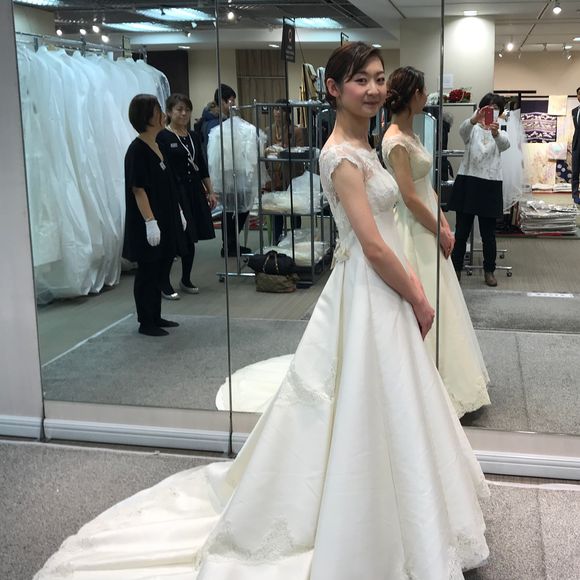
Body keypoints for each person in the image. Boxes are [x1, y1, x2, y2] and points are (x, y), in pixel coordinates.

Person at [34, 44, 489, 579]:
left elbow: (384, 234)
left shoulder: (365, 147)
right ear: (333, 89)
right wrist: (417, 295)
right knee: (367, 393)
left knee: (390, 394)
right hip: (371, 287)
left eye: (378, 78)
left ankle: (402, 506)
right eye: (360, 80)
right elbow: (371, 244)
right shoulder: (341, 156)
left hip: (381, 286)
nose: (373, 89)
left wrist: (411, 286)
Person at [382, 66, 491, 418]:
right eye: (423, 91)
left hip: (428, 221)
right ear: (412, 95)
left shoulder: (411, 134)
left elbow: (426, 187)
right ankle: (423, 390)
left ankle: (448, 378)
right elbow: (409, 197)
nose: (426, 96)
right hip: (413, 227)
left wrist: (444, 222)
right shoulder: (394, 139)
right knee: (425, 297)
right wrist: (438, 229)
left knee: (442, 298)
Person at [122, 94, 185, 337]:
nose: (163, 115)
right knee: (147, 270)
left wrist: (178, 211)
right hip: (148, 221)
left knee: (160, 267)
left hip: (165, 217)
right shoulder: (137, 150)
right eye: (158, 110)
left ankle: (156, 315)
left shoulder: (158, 145)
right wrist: (150, 222)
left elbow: (168, 184)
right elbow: (138, 189)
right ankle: (145, 321)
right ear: (147, 117)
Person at [157, 93, 218, 298]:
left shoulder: (193, 136)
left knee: (191, 236)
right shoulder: (163, 137)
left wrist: (210, 191)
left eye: (187, 110)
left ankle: (186, 278)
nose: (183, 113)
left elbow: (201, 165)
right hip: (175, 192)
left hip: (194, 191)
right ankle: (163, 282)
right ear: (169, 112)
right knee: (175, 237)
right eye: (179, 109)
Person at [449, 93, 510, 287]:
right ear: (481, 108)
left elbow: (505, 145)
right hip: (468, 181)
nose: (492, 111)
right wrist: (474, 118)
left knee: (488, 235)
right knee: (461, 232)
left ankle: (489, 270)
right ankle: (456, 269)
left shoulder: (501, 129)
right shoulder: (472, 127)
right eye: (488, 107)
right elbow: (461, 132)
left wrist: (496, 133)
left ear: (500, 112)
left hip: (490, 183)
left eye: (496, 108)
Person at [200, 84, 251, 257]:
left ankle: (231, 244)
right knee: (231, 209)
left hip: (233, 170)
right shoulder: (213, 123)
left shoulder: (227, 119)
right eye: (230, 100)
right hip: (223, 173)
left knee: (239, 207)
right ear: (221, 101)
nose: (233, 104)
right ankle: (229, 245)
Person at [266, 98, 305, 243]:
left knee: (294, 211)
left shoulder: (296, 131)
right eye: (275, 109)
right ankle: (276, 241)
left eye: (281, 110)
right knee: (277, 211)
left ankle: (296, 241)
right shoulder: (268, 130)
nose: (277, 113)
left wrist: (284, 151)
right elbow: (265, 152)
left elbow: (301, 153)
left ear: (287, 113)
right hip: (275, 176)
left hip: (292, 175)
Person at [571, 86, 580, 205]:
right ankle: (575, 195)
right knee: (575, 171)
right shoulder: (574, 111)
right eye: (579, 94)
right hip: (576, 144)